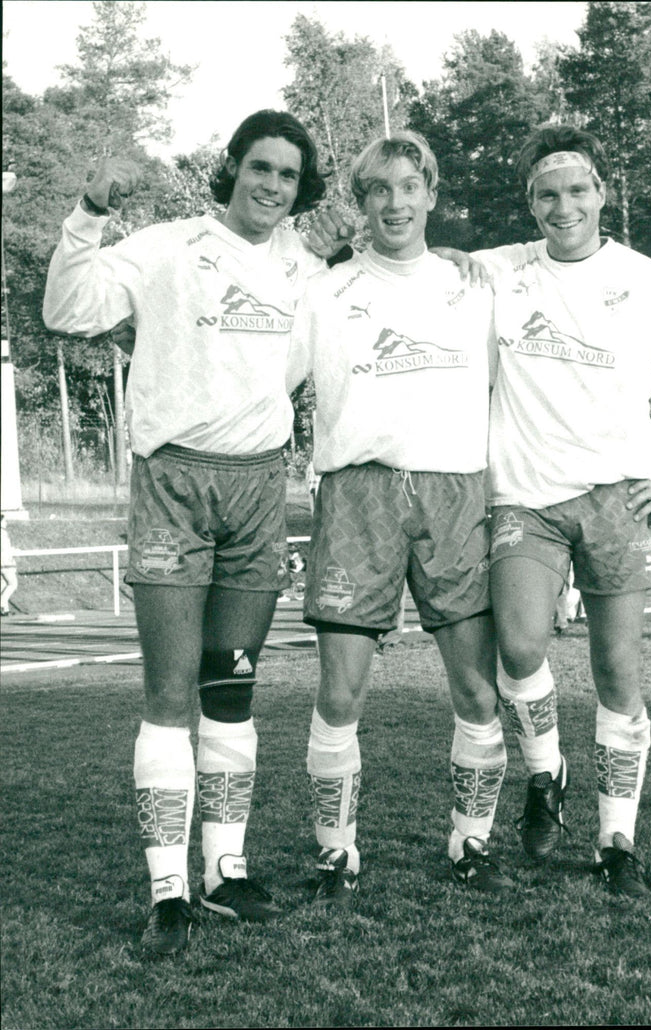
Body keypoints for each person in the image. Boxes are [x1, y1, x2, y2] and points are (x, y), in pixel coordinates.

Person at [43, 109, 351, 955]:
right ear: (232, 167)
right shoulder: (167, 245)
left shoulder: (306, 268)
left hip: (259, 488)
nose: (273, 186)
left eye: (289, 176)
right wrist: (89, 211)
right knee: (170, 694)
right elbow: (68, 309)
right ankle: (167, 889)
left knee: (233, 686)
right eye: (261, 168)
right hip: (174, 482)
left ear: (301, 188)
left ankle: (224, 870)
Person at [473, 126, 651, 897]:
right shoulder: (499, 273)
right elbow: (426, 271)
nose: (564, 206)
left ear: (601, 193)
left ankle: (617, 837)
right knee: (519, 648)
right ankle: (545, 770)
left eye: (578, 190)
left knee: (617, 669)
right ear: (530, 203)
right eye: (547, 194)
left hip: (619, 498)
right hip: (523, 493)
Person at [286, 130, 512, 904]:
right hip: (359, 496)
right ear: (362, 202)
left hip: (456, 494)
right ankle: (335, 851)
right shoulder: (324, 290)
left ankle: (471, 839)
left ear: (432, 194)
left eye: (408, 186)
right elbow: (264, 379)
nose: (394, 202)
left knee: (476, 689)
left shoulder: (476, 285)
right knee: (340, 692)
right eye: (377, 189)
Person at [1, 515, 18, 616]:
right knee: (13, 584)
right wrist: (13, 551)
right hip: (5, 562)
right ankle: (2, 604)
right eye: (4, 521)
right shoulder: (2, 534)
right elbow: (5, 549)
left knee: (4, 584)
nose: (6, 522)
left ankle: (5, 609)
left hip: (3, 562)